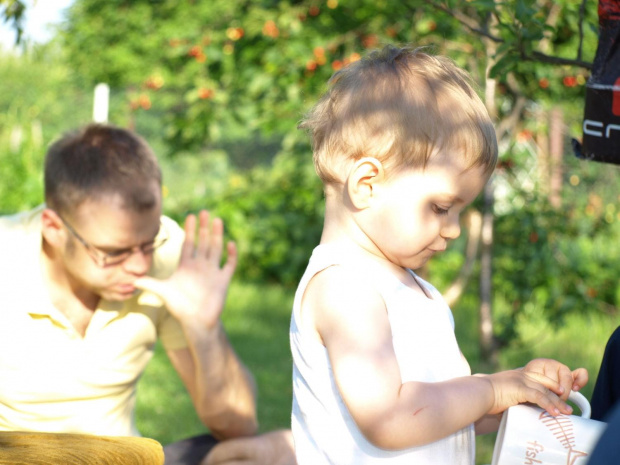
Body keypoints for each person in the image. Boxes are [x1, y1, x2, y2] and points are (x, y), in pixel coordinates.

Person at [289, 44, 589, 464]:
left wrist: (517, 392)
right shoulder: (343, 288)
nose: (452, 229)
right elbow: (390, 418)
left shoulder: (418, 292)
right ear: (366, 185)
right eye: (441, 207)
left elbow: (443, 414)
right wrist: (490, 389)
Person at [0, 123, 295, 465]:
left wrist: (204, 328)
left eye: (148, 242)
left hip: (124, 458)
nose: (140, 265)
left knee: (281, 451)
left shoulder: (170, 256)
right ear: (54, 228)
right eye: (114, 252)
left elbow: (237, 425)